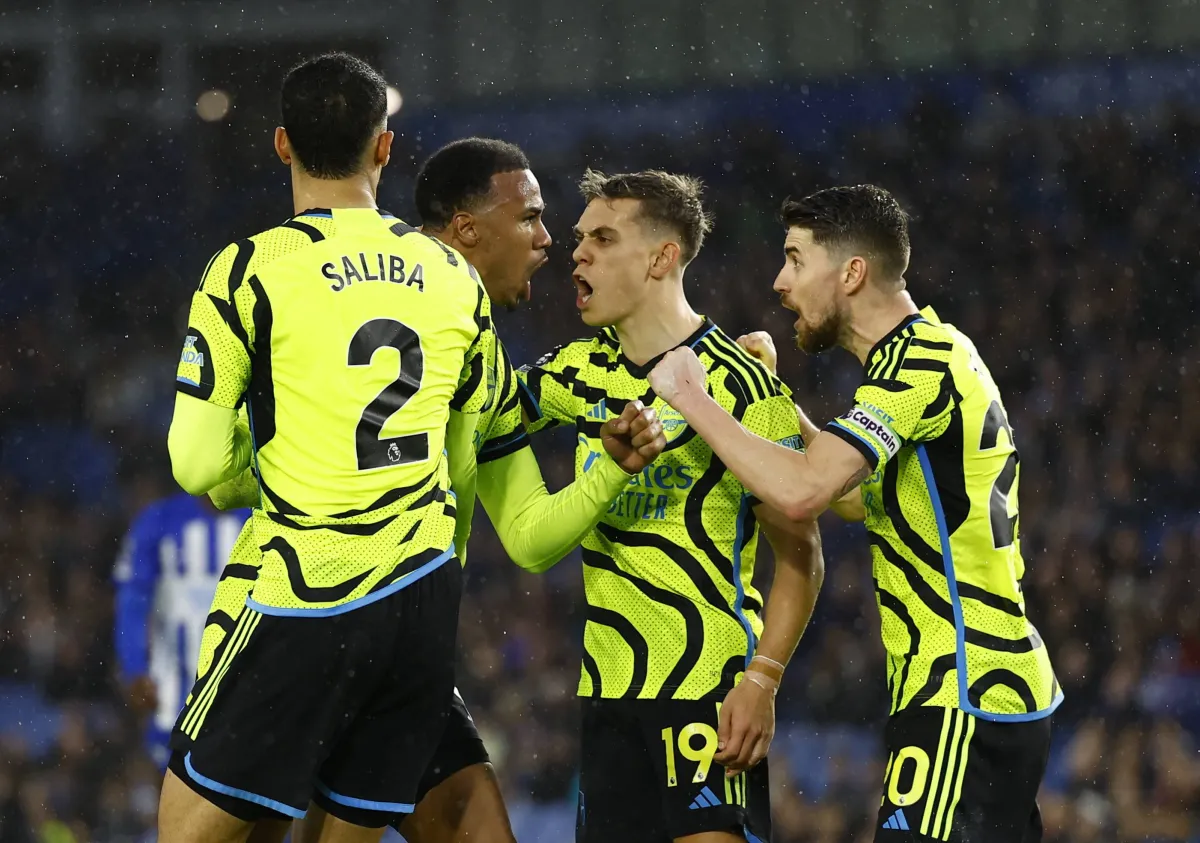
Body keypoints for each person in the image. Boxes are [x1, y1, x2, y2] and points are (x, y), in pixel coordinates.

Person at [154, 51, 632, 843]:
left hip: (306, 591)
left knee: (189, 831)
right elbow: (486, 464)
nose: (548, 239)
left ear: (282, 145)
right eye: (531, 220)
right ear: (384, 147)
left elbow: (197, 464)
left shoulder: (249, 269)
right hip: (418, 603)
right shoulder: (453, 279)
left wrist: (259, 463)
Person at [648, 184, 1061, 843]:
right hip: (985, 686)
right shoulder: (933, 351)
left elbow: (805, 492)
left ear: (852, 273)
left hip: (961, 686)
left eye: (795, 259)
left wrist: (692, 397)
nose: (780, 282)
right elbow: (847, 494)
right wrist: (774, 401)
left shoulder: (917, 364)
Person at [517, 169, 826, 843]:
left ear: (662, 257)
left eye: (603, 239)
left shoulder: (743, 383)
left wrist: (763, 680)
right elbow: (473, 410)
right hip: (607, 693)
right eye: (579, 239)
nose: (578, 253)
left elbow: (801, 557)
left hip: (707, 688)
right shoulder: (571, 371)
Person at [113, 492, 249, 771]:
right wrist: (135, 668)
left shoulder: (260, 519)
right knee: (171, 786)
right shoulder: (158, 521)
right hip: (172, 693)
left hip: (246, 695)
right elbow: (132, 601)